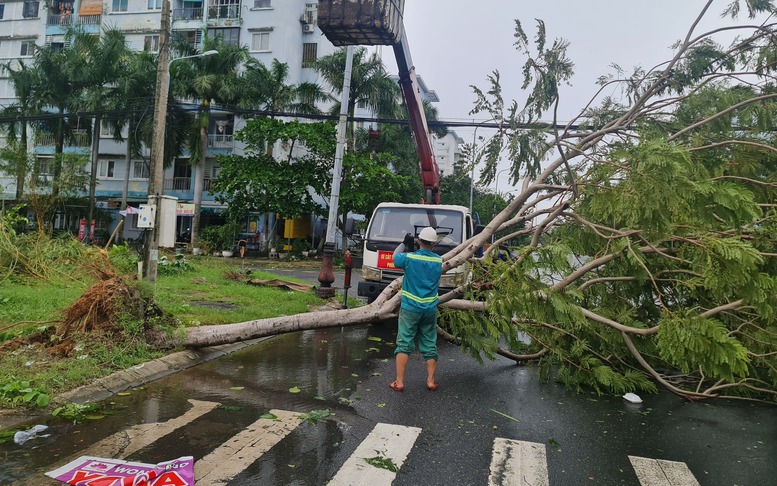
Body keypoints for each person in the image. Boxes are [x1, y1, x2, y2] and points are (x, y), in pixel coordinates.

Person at [389, 226, 443, 392]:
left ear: (419, 241)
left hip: (410, 307)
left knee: (404, 343)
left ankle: (399, 382)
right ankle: (431, 381)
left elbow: (395, 257)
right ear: (434, 244)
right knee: (429, 343)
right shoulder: (438, 261)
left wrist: (404, 244)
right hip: (429, 309)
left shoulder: (409, 258)